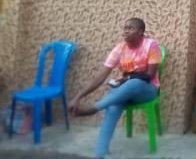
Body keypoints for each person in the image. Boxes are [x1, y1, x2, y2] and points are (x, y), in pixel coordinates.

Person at [68, 18, 162, 158]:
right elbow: (101, 77)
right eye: (125, 28)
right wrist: (78, 97)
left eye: (131, 28)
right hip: (124, 91)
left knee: (133, 83)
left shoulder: (151, 45)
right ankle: (100, 154)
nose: (126, 31)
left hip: (147, 90)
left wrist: (129, 77)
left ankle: (94, 108)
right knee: (112, 107)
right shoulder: (120, 48)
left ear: (140, 32)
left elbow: (149, 75)